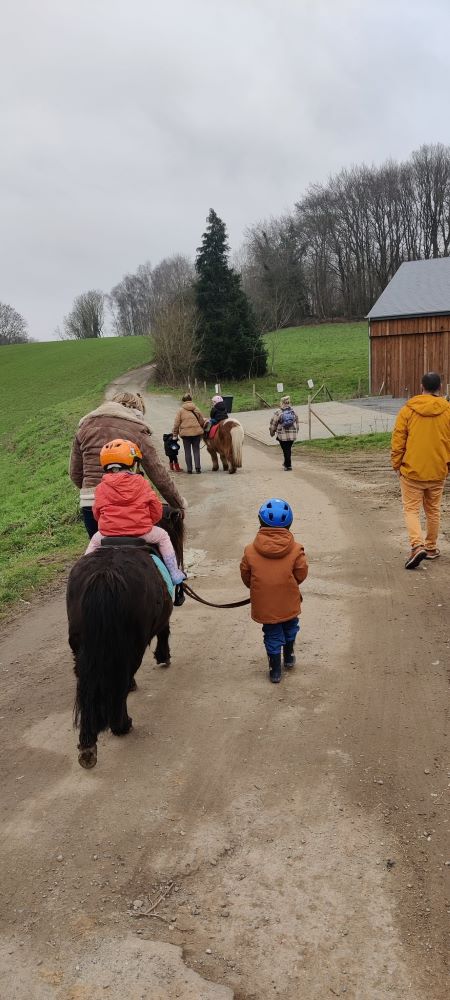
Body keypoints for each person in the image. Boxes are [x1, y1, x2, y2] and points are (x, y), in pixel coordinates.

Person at [70, 390, 184, 538]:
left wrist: (94, 490)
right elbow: (159, 475)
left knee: (99, 552)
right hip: (130, 506)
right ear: (137, 411)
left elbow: (75, 474)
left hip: (91, 502)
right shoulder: (136, 428)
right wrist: (177, 504)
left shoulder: (85, 426)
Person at [85, 439, 186, 587]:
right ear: (132, 464)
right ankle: (174, 573)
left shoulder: (100, 487)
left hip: (109, 533)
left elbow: (97, 513)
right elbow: (156, 511)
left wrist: (108, 524)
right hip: (140, 532)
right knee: (163, 536)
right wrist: (148, 521)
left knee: (94, 540)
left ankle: (85, 574)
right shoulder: (142, 483)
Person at [240, 498, 308, 684]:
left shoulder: (249, 551)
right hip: (289, 600)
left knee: (272, 633)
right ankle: (289, 655)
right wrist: (289, 584)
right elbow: (301, 574)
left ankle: (275, 671)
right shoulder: (296, 549)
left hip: (265, 604)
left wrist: (260, 588)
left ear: (260, 522)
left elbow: (246, 576)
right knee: (290, 626)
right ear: (289, 523)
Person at [391, 372, 450, 569]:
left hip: (412, 471)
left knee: (411, 510)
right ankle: (431, 547)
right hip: (438, 470)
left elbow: (399, 439)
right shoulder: (447, 410)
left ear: (421, 385)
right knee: (433, 510)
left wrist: (396, 464)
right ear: (439, 387)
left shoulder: (408, 410)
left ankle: (417, 546)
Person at [172, 393, 206, 474]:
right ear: (191, 399)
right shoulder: (196, 409)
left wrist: (175, 434)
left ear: (183, 401)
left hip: (185, 434)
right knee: (196, 450)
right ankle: (198, 468)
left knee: (187, 451)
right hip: (196, 433)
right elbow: (202, 421)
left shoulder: (180, 411)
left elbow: (176, 424)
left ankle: (189, 469)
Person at [269, 395, 299, 470]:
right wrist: (296, 431)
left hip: (282, 435)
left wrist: (272, 432)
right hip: (292, 435)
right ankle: (286, 463)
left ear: (281, 403)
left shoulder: (278, 412)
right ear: (289, 402)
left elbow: (273, 424)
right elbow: (297, 423)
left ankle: (288, 466)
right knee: (288, 449)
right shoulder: (293, 412)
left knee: (286, 449)